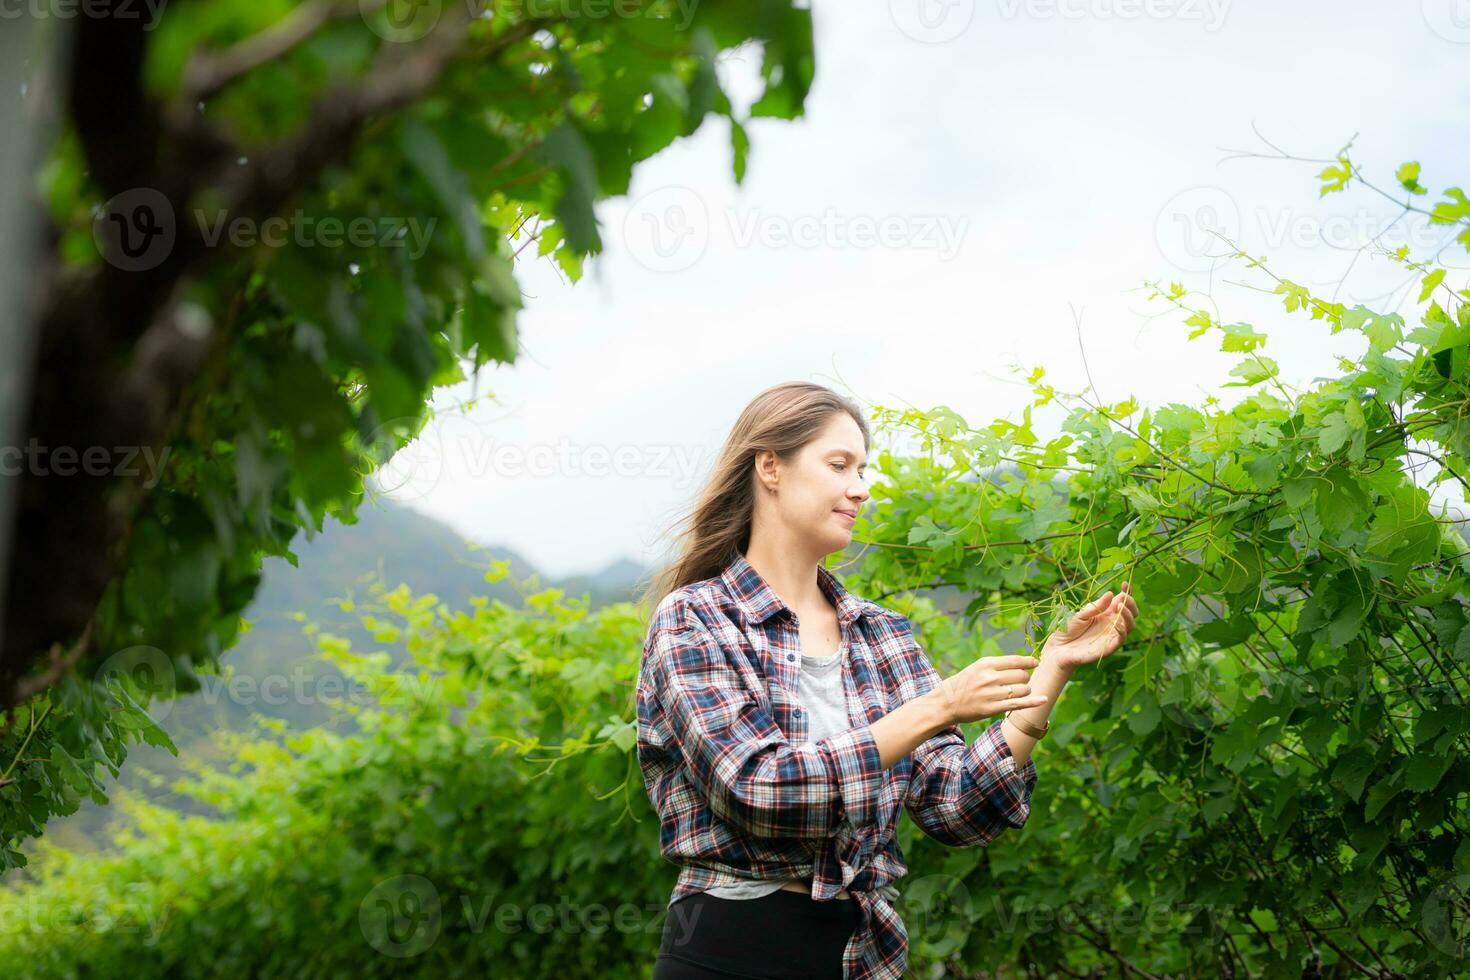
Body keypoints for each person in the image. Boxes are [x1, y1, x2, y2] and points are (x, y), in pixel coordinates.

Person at [635, 381, 1138, 979]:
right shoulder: (698, 617)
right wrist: (938, 706)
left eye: (863, 469)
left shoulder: (881, 635)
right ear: (770, 466)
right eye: (839, 464)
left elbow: (959, 808)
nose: (860, 489)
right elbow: (758, 790)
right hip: (730, 947)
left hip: (858, 954)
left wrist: (1051, 670)